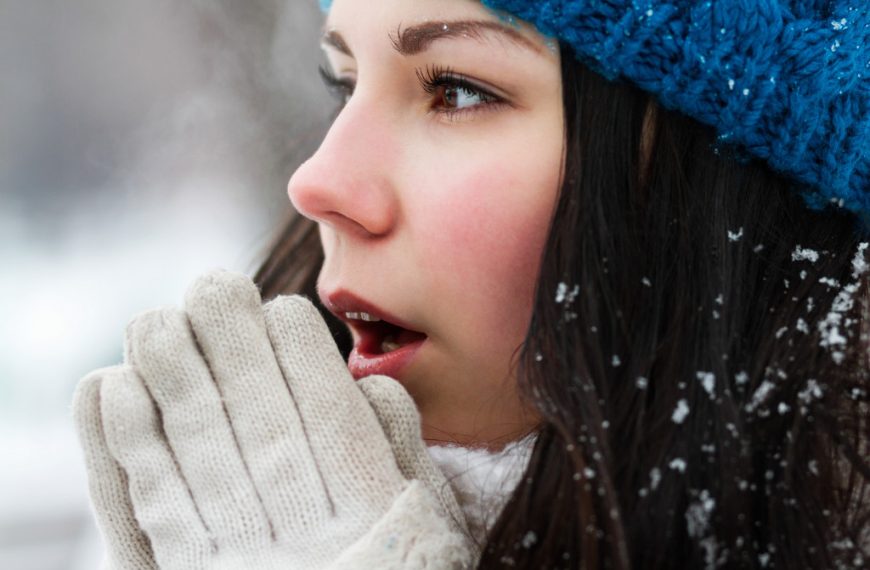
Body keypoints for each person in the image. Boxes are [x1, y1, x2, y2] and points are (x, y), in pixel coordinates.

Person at [75, 0, 869, 568]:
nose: (317, 183)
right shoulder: (215, 508)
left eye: (455, 89)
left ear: (714, 190)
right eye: (344, 85)